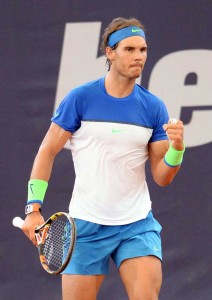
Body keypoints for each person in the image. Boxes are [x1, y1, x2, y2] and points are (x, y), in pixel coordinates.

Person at [22, 17, 185, 300]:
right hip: (85, 226)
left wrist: (178, 148)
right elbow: (47, 150)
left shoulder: (153, 107)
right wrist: (33, 208)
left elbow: (162, 176)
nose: (139, 57)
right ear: (110, 52)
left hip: (136, 225)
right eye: (130, 49)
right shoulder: (80, 98)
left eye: (143, 50)